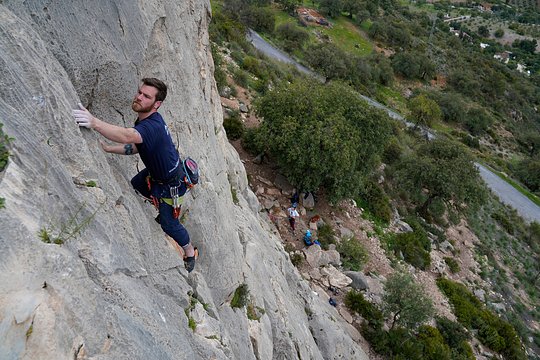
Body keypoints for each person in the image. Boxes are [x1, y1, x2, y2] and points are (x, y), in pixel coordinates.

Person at [73, 78, 198, 272]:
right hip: (156, 173)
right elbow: (136, 146)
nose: (139, 97)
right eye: (139, 92)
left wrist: (94, 122)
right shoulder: (145, 119)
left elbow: (128, 136)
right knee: (136, 185)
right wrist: (109, 149)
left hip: (170, 184)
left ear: (157, 104)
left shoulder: (152, 126)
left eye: (146, 96)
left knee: (169, 225)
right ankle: (158, 201)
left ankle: (189, 252)